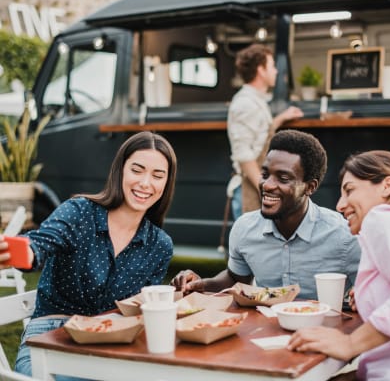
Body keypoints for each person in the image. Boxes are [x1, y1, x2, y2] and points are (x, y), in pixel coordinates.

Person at [0, 131, 177, 379]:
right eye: (137, 170)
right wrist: (21, 252)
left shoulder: (160, 245)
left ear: (166, 183)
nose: (146, 183)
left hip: (108, 346)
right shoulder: (79, 212)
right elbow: (39, 244)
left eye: (158, 175)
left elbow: (141, 312)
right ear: (121, 170)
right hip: (49, 338)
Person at [171, 129, 360, 300]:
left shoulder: (344, 236)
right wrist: (202, 284)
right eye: (265, 174)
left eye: (283, 178)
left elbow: (369, 296)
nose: (267, 185)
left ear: (310, 187)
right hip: (261, 333)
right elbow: (235, 278)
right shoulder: (244, 228)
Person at [287, 150, 390, 381]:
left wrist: (350, 343)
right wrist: (369, 293)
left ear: (387, 185)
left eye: (349, 190)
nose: (340, 205)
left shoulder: (380, 218)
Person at [227, 43, 303, 219]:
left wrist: (280, 119)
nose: (276, 71)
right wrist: (264, 188)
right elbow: (244, 155)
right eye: (272, 66)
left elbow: (258, 136)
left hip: (257, 186)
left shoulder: (255, 101)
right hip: (249, 190)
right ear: (261, 70)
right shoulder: (245, 103)